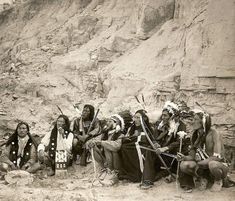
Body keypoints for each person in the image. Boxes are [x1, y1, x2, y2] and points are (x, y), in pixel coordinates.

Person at [140, 101, 187, 189]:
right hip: (160, 152)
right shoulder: (160, 124)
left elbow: (179, 142)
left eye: (165, 115)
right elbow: (154, 137)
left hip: (172, 153)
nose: (163, 117)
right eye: (162, 115)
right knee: (150, 149)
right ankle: (148, 180)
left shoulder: (180, 125)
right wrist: (156, 143)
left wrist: (165, 148)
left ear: (172, 116)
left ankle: (167, 172)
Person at [179, 109, 229, 192]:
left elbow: (218, 156)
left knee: (212, 164)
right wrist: (183, 157)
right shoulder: (195, 135)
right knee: (184, 165)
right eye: (193, 119)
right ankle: (203, 178)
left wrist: (202, 162)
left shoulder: (214, 133)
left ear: (203, 122)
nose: (193, 122)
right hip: (203, 166)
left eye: (196, 119)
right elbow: (192, 156)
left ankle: (218, 180)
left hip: (218, 164)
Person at [118, 109, 153, 182]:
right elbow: (127, 137)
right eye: (135, 117)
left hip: (143, 147)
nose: (136, 119)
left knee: (133, 150)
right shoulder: (132, 127)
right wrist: (132, 136)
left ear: (143, 119)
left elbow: (148, 139)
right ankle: (128, 172)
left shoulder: (148, 128)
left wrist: (137, 137)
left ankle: (137, 174)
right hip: (132, 146)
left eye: (138, 118)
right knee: (124, 147)